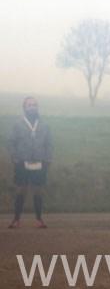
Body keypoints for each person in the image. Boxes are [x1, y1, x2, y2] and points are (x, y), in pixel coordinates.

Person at [8, 97, 53, 229]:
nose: (32, 107)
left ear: (37, 107)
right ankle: (16, 220)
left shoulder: (45, 125)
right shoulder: (17, 124)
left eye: (34, 105)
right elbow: (11, 142)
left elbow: (49, 143)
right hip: (22, 162)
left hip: (39, 162)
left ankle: (39, 220)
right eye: (29, 105)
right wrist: (15, 158)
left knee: (38, 191)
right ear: (25, 107)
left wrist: (47, 159)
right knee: (21, 191)